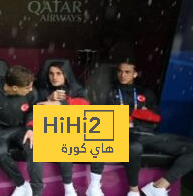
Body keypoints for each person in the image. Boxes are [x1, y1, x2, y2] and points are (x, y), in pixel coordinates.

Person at [106, 61, 193, 196]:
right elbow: (106, 117)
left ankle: (159, 186)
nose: (122, 75)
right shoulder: (109, 91)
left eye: (127, 72)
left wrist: (128, 113)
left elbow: (156, 119)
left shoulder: (146, 92)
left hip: (146, 135)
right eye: (120, 71)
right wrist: (140, 112)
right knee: (134, 147)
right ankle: (133, 192)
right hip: (121, 134)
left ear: (135, 74)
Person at [36, 62, 104, 196]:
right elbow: (33, 110)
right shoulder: (41, 89)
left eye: (58, 73)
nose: (54, 77)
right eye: (51, 73)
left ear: (65, 74)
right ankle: (69, 189)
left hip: (75, 130)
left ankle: (94, 187)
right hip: (49, 132)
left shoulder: (77, 89)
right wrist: (48, 99)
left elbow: (85, 106)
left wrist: (61, 103)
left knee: (99, 142)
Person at [0, 66, 43, 196]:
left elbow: (34, 111)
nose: (31, 89)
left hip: (22, 127)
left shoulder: (32, 92)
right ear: (15, 88)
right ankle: (21, 185)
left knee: (34, 148)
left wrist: (31, 129)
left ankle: (37, 192)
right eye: (27, 88)